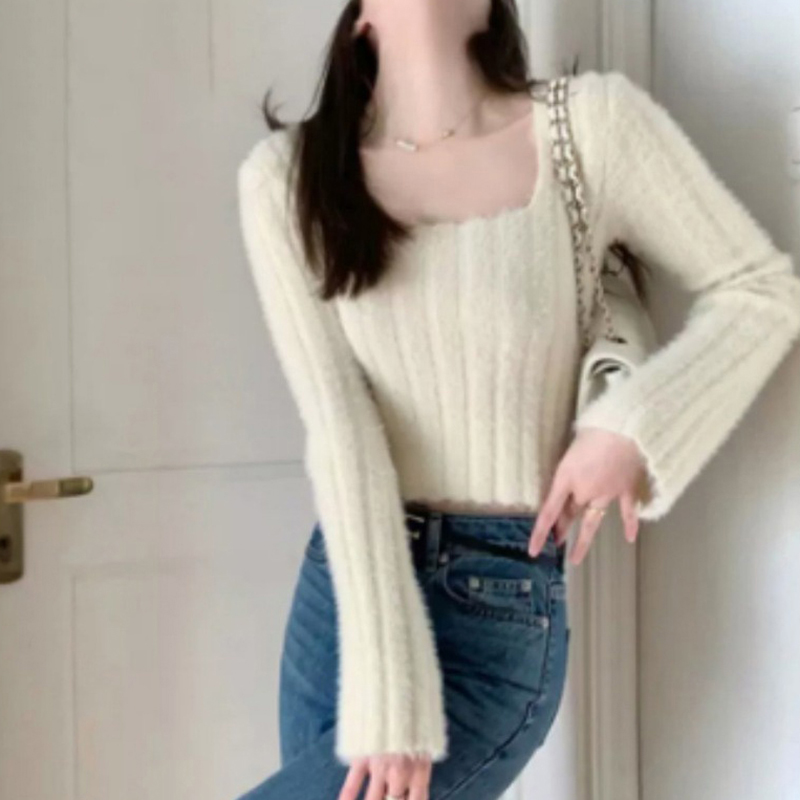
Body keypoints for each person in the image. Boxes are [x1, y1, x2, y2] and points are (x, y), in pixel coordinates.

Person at [234, 1, 800, 798]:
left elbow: (761, 291)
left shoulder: (591, 128)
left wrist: (631, 428)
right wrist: (389, 699)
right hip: (350, 595)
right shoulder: (287, 178)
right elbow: (340, 429)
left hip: (494, 604)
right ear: (360, 19)